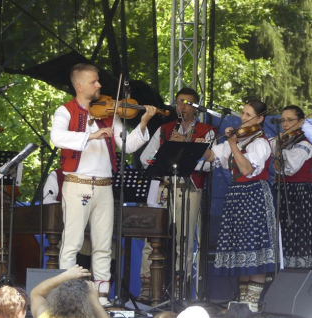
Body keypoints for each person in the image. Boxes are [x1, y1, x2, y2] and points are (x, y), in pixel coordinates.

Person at [50, 63, 156, 306]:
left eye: (98, 81)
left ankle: (102, 298)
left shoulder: (109, 113)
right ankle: (69, 297)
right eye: (94, 81)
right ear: (79, 86)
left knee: (103, 244)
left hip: (105, 186)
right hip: (77, 184)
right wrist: (91, 135)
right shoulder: (65, 111)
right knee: (72, 243)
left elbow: (127, 146)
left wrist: (143, 122)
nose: (99, 85)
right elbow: (56, 137)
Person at [138, 87, 215, 301]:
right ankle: (148, 288)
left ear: (196, 107)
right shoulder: (164, 129)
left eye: (188, 103)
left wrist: (187, 154)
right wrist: (164, 159)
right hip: (162, 187)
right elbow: (145, 158)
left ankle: (181, 290)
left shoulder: (207, 131)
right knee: (152, 239)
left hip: (188, 189)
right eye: (180, 102)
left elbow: (211, 165)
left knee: (185, 241)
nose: (183, 106)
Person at [200, 99, 276, 312]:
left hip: (254, 196)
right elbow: (213, 155)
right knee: (243, 250)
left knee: (255, 250)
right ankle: (243, 302)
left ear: (260, 119)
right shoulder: (239, 140)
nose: (243, 118)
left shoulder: (260, 142)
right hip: (237, 197)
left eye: (248, 114)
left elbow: (245, 169)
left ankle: (252, 302)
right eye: (243, 113)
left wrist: (233, 143)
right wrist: (198, 144)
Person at [271, 105, 312, 268]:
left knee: (299, 232)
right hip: (284, 191)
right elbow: (278, 167)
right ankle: (285, 268)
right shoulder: (286, 141)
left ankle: (301, 270)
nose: (285, 124)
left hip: (300, 192)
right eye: (283, 120)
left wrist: (279, 149)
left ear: (301, 121)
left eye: (290, 120)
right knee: (285, 233)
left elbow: (292, 167)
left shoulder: (306, 142)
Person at [30, 265, 109, 318]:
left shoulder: (45, 315)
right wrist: (95, 301)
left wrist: (65, 275)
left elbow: (36, 293)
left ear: (56, 298)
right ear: (86, 305)